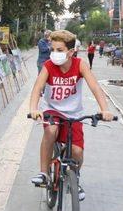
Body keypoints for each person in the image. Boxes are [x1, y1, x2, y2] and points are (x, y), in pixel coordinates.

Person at [29, 30, 114, 201]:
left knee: (77, 152)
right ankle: (44, 173)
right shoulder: (48, 66)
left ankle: (75, 179)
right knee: (50, 131)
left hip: (73, 114)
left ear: (71, 51)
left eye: (59, 50)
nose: (54, 54)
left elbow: (95, 87)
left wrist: (105, 109)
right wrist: (33, 108)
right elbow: (37, 88)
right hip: (52, 109)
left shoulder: (80, 65)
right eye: (53, 49)